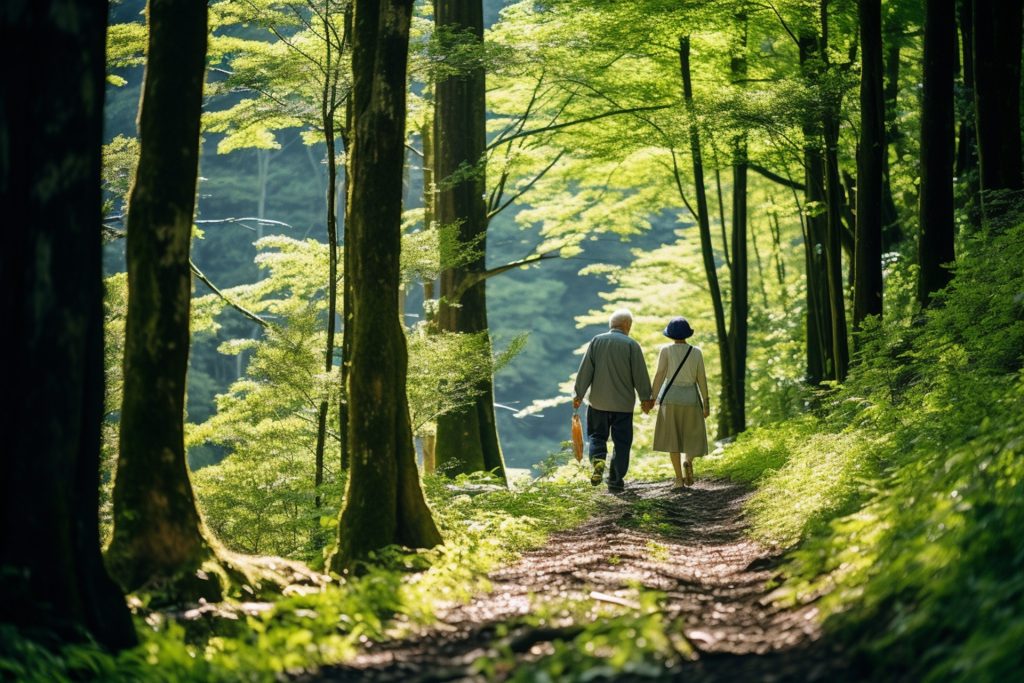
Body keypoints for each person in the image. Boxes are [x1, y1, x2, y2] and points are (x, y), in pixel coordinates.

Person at [573, 309, 654, 492]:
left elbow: (585, 370)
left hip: (598, 404)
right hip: (623, 406)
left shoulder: (596, 341)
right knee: (622, 443)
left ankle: (598, 462)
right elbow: (640, 375)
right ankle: (615, 481)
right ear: (627, 326)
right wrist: (645, 399)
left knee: (596, 436)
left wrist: (578, 395)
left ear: (612, 325)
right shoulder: (632, 345)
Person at [650, 317, 709, 490]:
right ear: (687, 334)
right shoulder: (696, 352)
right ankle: (688, 461)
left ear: (670, 335)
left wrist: (652, 398)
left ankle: (678, 479)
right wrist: (706, 402)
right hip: (691, 397)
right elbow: (701, 379)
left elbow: (660, 374)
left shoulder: (666, 350)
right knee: (691, 434)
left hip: (670, 398)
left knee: (673, 439)